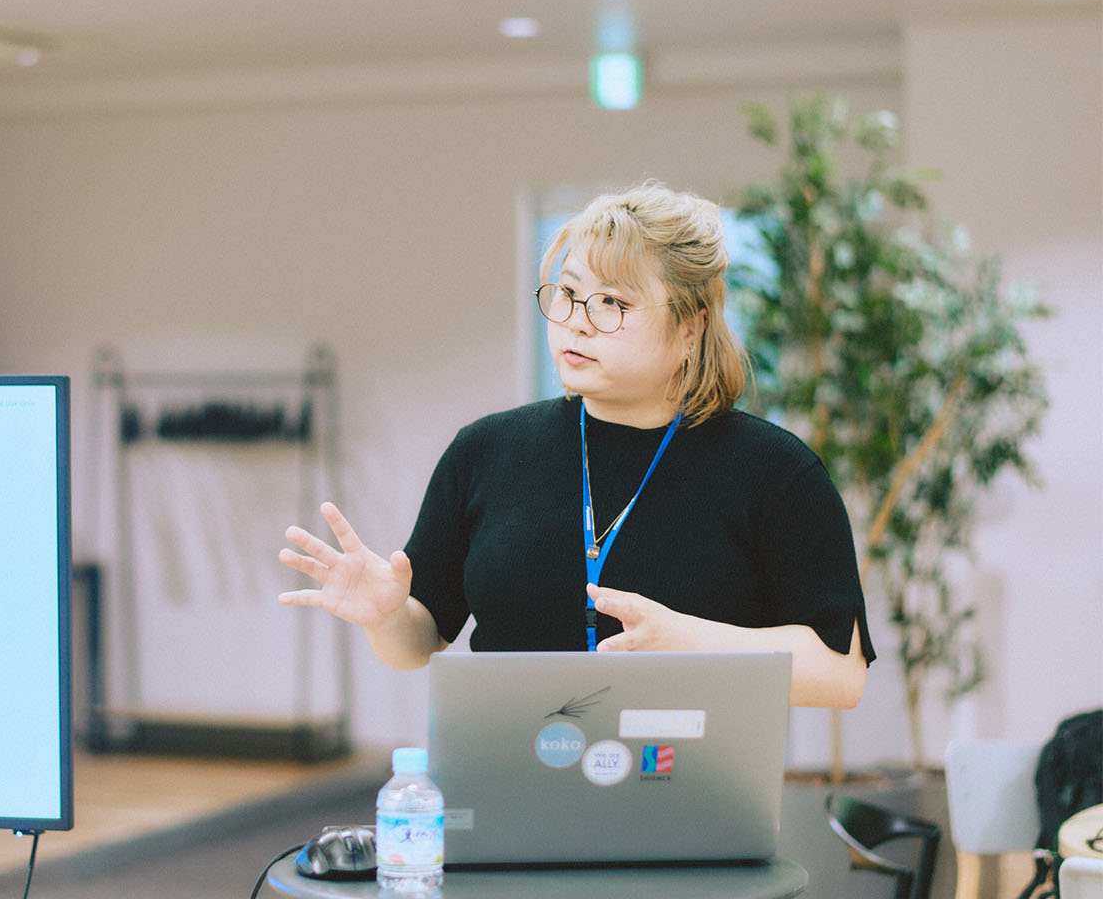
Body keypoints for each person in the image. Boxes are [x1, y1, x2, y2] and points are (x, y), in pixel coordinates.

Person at [279, 181, 874, 709]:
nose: (577, 321)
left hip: (692, 801)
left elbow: (839, 675)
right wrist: (385, 617)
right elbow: (419, 639)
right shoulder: (486, 452)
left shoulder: (775, 473)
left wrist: (689, 641)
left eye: (613, 303)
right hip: (511, 790)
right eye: (566, 293)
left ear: (689, 328)